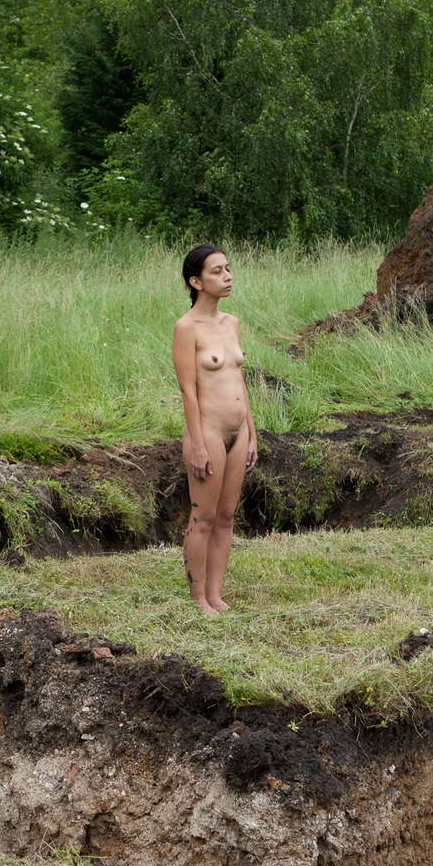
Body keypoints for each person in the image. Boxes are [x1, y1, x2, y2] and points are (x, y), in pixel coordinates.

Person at [171, 244, 255, 615]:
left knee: (226, 516)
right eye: (217, 271)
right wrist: (197, 444)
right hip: (208, 431)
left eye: (228, 269)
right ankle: (198, 597)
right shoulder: (186, 328)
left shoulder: (232, 323)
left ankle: (216, 594)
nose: (227, 277)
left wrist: (251, 433)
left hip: (239, 431)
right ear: (196, 281)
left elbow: (239, 380)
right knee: (203, 517)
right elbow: (188, 390)